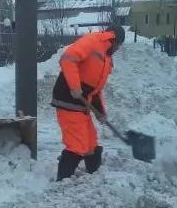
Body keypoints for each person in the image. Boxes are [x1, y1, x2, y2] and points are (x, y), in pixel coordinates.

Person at [51, 24, 125, 181]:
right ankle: (61, 184)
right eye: (119, 45)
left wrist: (101, 112)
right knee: (77, 145)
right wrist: (75, 86)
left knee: (91, 143)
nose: (118, 49)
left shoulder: (106, 57)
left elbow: (95, 90)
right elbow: (68, 58)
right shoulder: (92, 42)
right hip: (68, 100)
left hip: (81, 105)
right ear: (114, 40)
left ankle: (94, 177)